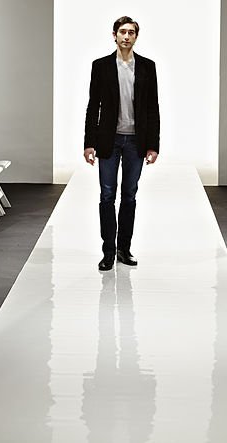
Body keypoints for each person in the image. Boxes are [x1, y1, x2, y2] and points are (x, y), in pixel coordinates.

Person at [84, 16, 160, 271]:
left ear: (136, 37)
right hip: (109, 140)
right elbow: (93, 106)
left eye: (131, 33)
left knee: (129, 195)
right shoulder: (101, 66)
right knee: (107, 196)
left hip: (136, 142)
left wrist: (153, 145)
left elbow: (152, 108)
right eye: (122, 32)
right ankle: (107, 251)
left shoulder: (148, 67)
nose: (127, 36)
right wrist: (89, 143)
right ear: (114, 35)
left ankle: (123, 249)